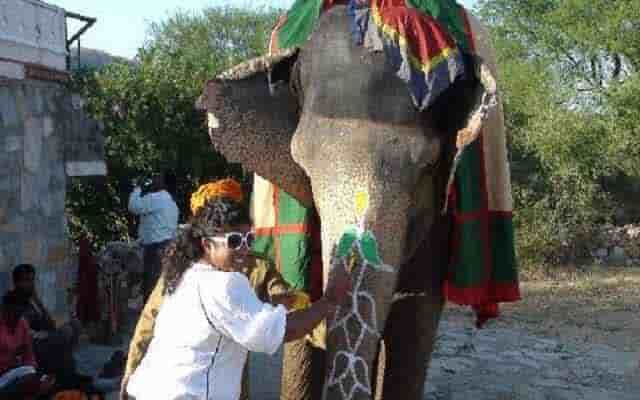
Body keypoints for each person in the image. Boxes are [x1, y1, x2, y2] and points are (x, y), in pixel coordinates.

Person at [124, 179, 350, 400]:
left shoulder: (183, 272)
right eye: (233, 241)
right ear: (206, 242)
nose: (243, 249)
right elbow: (279, 330)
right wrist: (329, 302)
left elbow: (284, 300)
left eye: (248, 239)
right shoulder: (224, 282)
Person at [11, 264, 90, 390]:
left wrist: (38, 301)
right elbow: (21, 332)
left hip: (44, 337)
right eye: (26, 280)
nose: (31, 284)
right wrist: (43, 335)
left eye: (32, 280)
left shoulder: (31, 298)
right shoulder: (13, 301)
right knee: (65, 333)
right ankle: (67, 376)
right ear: (17, 283)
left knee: (75, 325)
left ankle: (67, 372)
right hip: (32, 344)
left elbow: (49, 323)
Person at [128, 172, 179, 301]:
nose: (153, 180)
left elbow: (134, 206)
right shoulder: (170, 202)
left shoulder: (157, 198)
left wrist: (137, 187)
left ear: (163, 184)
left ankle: (151, 319)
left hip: (156, 249)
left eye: (157, 178)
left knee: (151, 287)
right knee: (161, 286)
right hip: (167, 246)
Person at [0, 290, 55, 400]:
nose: (16, 318)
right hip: (3, 377)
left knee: (46, 380)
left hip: (16, 372)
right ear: (4, 308)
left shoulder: (22, 323)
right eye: (13, 313)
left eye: (19, 314)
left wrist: (34, 374)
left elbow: (29, 356)